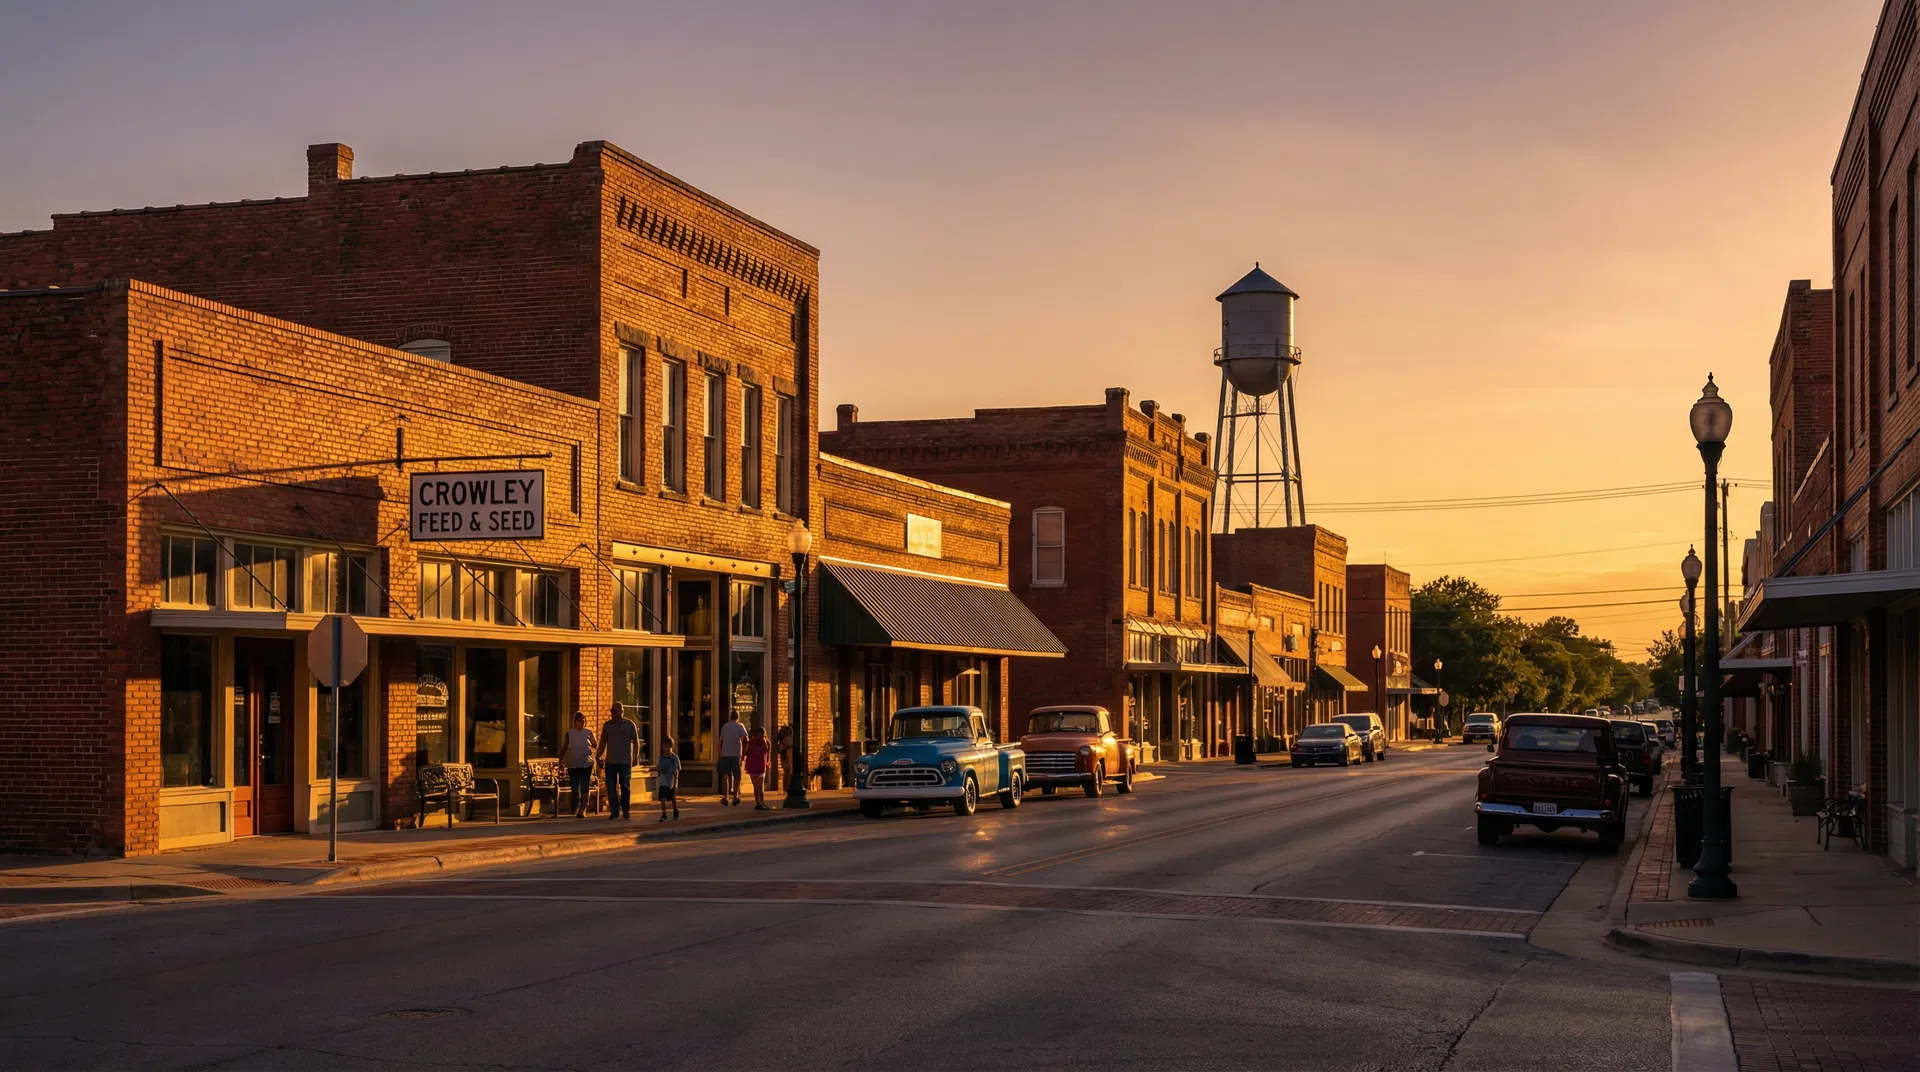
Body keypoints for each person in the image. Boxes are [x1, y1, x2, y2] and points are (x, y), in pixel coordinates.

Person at [597, 701, 640, 820]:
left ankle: (625, 809)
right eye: (612, 712)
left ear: (621, 712)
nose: (613, 715)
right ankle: (614, 811)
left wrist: (636, 757)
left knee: (625, 786)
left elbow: (636, 742)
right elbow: (603, 742)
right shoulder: (607, 726)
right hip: (610, 761)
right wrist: (598, 755)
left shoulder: (629, 725)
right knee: (611, 787)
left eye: (616, 712)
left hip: (625, 761)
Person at [561, 711, 597, 818]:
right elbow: (565, 747)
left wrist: (592, 741)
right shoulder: (570, 733)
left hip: (586, 763)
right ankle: (576, 806)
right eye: (580, 721)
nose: (582, 723)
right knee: (575, 787)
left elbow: (595, 745)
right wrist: (560, 760)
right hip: (573, 764)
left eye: (584, 721)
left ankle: (583, 808)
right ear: (575, 722)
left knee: (585, 785)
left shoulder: (588, 732)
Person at [717, 709, 749, 806]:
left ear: (730, 717)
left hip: (725, 754)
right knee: (737, 776)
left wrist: (719, 754)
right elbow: (747, 740)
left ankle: (726, 797)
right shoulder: (740, 726)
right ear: (738, 717)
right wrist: (744, 754)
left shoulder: (725, 726)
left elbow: (720, 741)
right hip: (736, 754)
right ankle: (735, 796)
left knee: (725, 776)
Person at [744, 725, 772, 811]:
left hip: (761, 766)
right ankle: (758, 803)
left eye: (762, 736)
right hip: (753, 766)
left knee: (760, 786)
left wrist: (767, 762)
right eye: (759, 735)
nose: (760, 737)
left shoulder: (766, 742)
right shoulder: (751, 742)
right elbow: (746, 752)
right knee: (756, 786)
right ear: (755, 735)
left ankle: (761, 803)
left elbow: (767, 753)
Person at [656, 736, 682, 822]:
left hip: (671, 779)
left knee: (672, 797)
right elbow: (659, 769)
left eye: (668, 747)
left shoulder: (674, 758)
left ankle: (675, 811)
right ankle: (664, 814)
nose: (666, 749)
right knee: (663, 798)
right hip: (663, 780)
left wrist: (674, 783)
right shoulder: (661, 758)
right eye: (664, 747)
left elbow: (676, 771)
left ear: (671, 747)